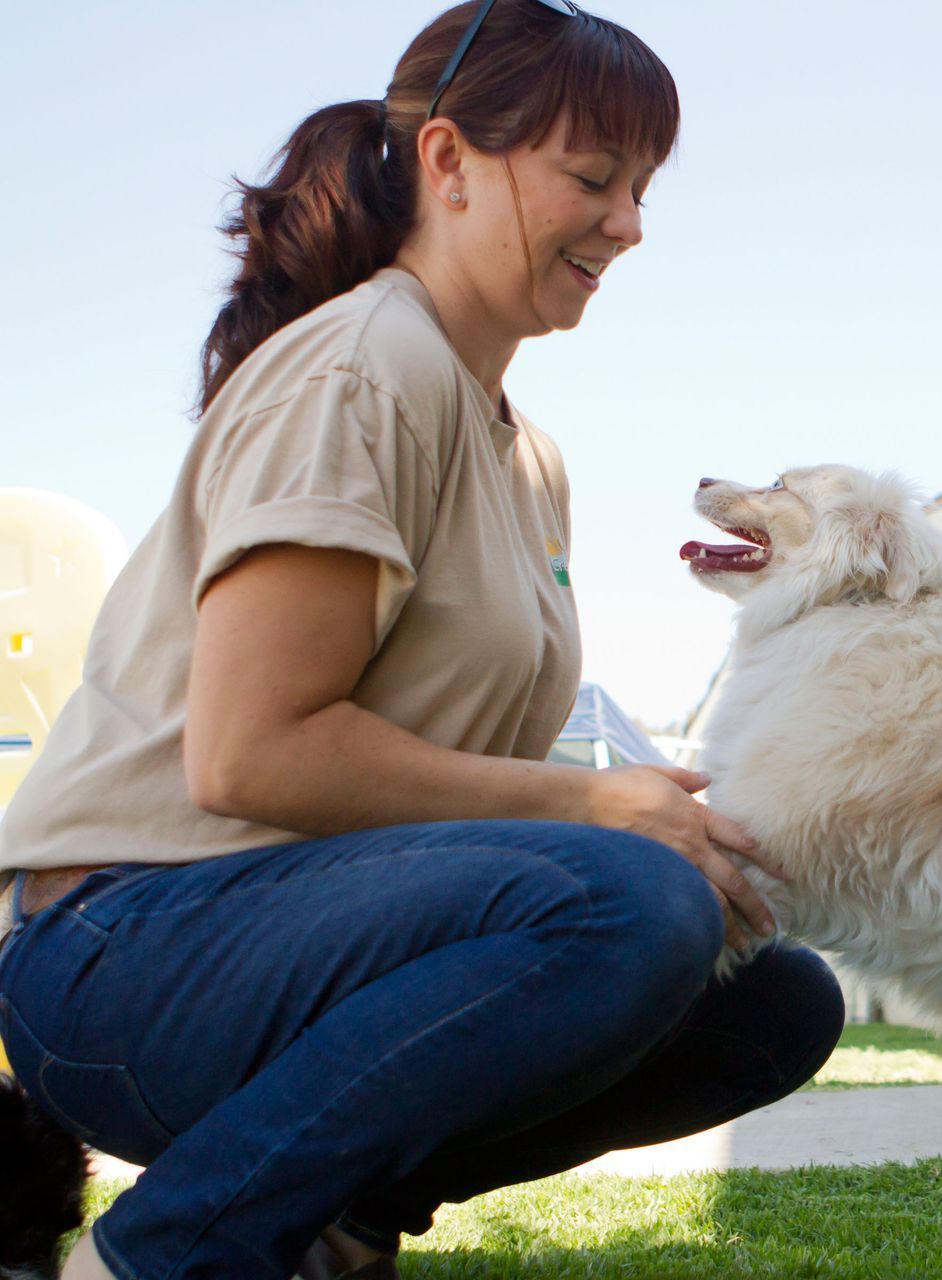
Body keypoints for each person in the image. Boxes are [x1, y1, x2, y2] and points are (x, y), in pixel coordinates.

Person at [0, 3, 844, 1277]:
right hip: (118, 953)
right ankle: (164, 1254)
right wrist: (589, 810)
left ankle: (331, 1220)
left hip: (296, 946)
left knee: (772, 1002)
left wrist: (644, 809)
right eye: (593, 177)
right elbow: (250, 755)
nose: (628, 223)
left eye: (643, 189)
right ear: (448, 163)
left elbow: (454, 792)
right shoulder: (364, 366)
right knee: (631, 905)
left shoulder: (531, 457)